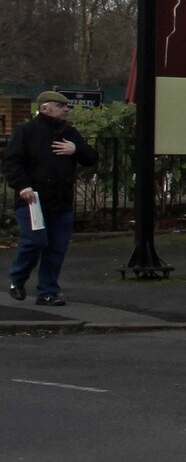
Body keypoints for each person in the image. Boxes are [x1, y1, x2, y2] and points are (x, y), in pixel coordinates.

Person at [4, 92, 98, 305]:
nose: (66, 109)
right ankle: (17, 278)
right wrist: (22, 186)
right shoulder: (26, 131)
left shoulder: (69, 132)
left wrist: (76, 150)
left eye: (66, 106)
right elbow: (11, 162)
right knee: (35, 241)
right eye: (60, 106)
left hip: (61, 199)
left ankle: (47, 292)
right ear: (45, 108)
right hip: (33, 200)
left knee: (56, 248)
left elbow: (91, 157)